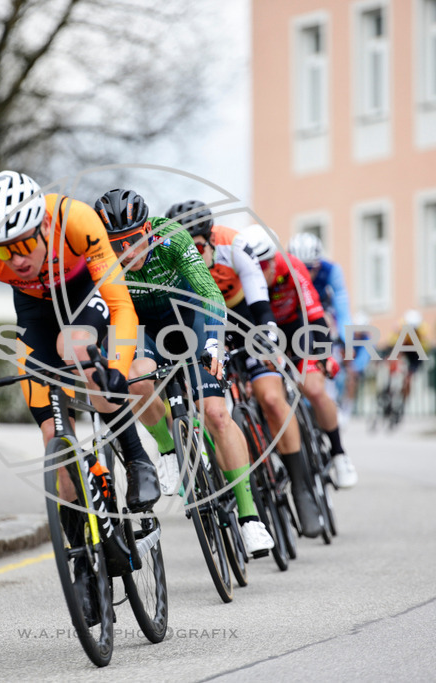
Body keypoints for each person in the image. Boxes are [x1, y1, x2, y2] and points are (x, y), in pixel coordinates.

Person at [0, 171, 160, 514]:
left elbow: (121, 305)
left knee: (76, 348)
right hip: (34, 310)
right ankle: (76, 543)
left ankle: (138, 460)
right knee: (53, 432)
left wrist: (118, 369)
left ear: (45, 224)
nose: (17, 260)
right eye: (5, 253)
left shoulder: (76, 220)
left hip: (83, 292)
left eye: (23, 245)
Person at [94, 189, 274, 556]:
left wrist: (213, 343)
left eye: (133, 241)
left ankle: (250, 516)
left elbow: (208, 289)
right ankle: (167, 449)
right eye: (117, 245)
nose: (127, 251)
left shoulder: (171, 236)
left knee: (215, 413)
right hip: (143, 327)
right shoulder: (100, 258)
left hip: (191, 318)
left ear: (148, 229)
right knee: (136, 379)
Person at [167, 201, 330, 538]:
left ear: (210, 239)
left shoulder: (232, 243)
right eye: (186, 250)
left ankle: (301, 490)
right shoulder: (172, 260)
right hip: (207, 325)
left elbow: (259, 299)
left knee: (270, 399)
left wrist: (267, 334)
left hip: (246, 317)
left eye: (198, 248)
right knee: (211, 411)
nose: (193, 257)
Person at [243, 225, 358, 493]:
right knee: (269, 398)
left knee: (314, 388)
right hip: (265, 335)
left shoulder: (293, 265)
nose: (264, 271)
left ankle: (339, 454)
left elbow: (315, 314)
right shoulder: (244, 275)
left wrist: (326, 353)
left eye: (267, 264)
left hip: (299, 327)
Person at [289, 232, 359, 417]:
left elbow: (342, 307)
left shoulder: (332, 271)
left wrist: (345, 340)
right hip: (295, 316)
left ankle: (330, 394)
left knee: (326, 327)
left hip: (322, 314)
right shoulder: (283, 272)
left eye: (310, 268)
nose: (305, 273)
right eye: (299, 268)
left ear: (318, 264)